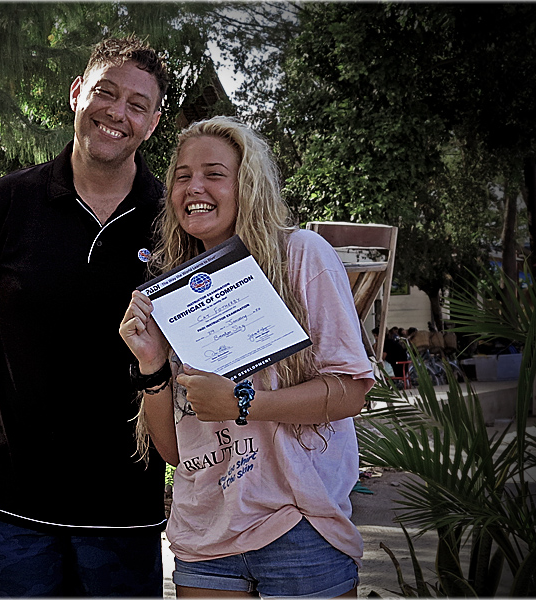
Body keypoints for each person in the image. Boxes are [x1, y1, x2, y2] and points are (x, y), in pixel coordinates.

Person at [0, 36, 169, 597]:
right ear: (76, 95)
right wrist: (17, 397)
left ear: (153, 122)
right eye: (105, 93)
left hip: (123, 509)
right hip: (9, 509)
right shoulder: (0, 204)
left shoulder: (171, 224)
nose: (117, 113)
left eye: (137, 105)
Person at [120, 116, 375, 598]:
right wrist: (152, 365)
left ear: (247, 185)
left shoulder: (300, 255)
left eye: (214, 173)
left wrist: (240, 403)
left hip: (299, 529)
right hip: (204, 537)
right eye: (182, 176)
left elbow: (352, 389)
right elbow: (177, 452)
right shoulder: (171, 292)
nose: (195, 186)